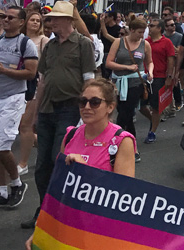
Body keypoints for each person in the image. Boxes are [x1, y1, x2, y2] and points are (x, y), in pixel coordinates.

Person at [24, 78, 136, 250]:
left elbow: (123, 197)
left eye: (95, 102)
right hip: (70, 225)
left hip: (101, 230)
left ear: (110, 107)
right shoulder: (70, 135)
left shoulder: (122, 141)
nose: (87, 107)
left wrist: (86, 171)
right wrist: (41, 229)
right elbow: (58, 190)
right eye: (82, 101)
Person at [22, 0, 96, 230]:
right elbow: (42, 80)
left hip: (69, 107)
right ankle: (45, 208)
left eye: (54, 19)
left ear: (67, 20)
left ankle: (61, 209)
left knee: (58, 158)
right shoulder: (51, 46)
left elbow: (89, 78)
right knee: (42, 165)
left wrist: (89, 110)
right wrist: (35, 112)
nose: (50, 22)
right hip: (46, 109)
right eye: (49, 19)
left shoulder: (82, 44)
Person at [0, 6, 38, 211]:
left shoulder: (26, 44)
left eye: (10, 18)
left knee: (2, 146)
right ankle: (1, 191)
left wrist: (4, 71)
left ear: (21, 22)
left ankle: (17, 184)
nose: (5, 20)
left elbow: (31, 73)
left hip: (13, 99)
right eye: (4, 17)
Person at [106, 17, 152, 151]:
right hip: (119, 82)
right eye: (139, 32)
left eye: (143, 32)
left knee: (125, 113)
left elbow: (149, 62)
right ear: (131, 30)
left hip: (136, 82)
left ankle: (115, 142)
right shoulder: (118, 42)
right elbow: (109, 63)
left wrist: (151, 72)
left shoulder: (145, 44)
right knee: (124, 113)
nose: (141, 35)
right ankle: (131, 145)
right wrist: (126, 67)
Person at [17, 11, 49, 173]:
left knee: (26, 125)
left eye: (38, 20)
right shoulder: (19, 39)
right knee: (19, 125)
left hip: (35, 87)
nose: (35, 23)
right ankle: (46, 147)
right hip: (16, 86)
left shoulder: (44, 41)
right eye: (32, 20)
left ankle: (23, 163)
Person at [146, 18, 175, 143]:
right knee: (141, 105)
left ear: (159, 28)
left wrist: (169, 77)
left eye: (152, 26)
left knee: (155, 107)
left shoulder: (166, 42)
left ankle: (152, 131)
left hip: (159, 77)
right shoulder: (145, 41)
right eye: (149, 25)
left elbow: (171, 60)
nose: (150, 27)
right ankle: (153, 120)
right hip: (144, 76)